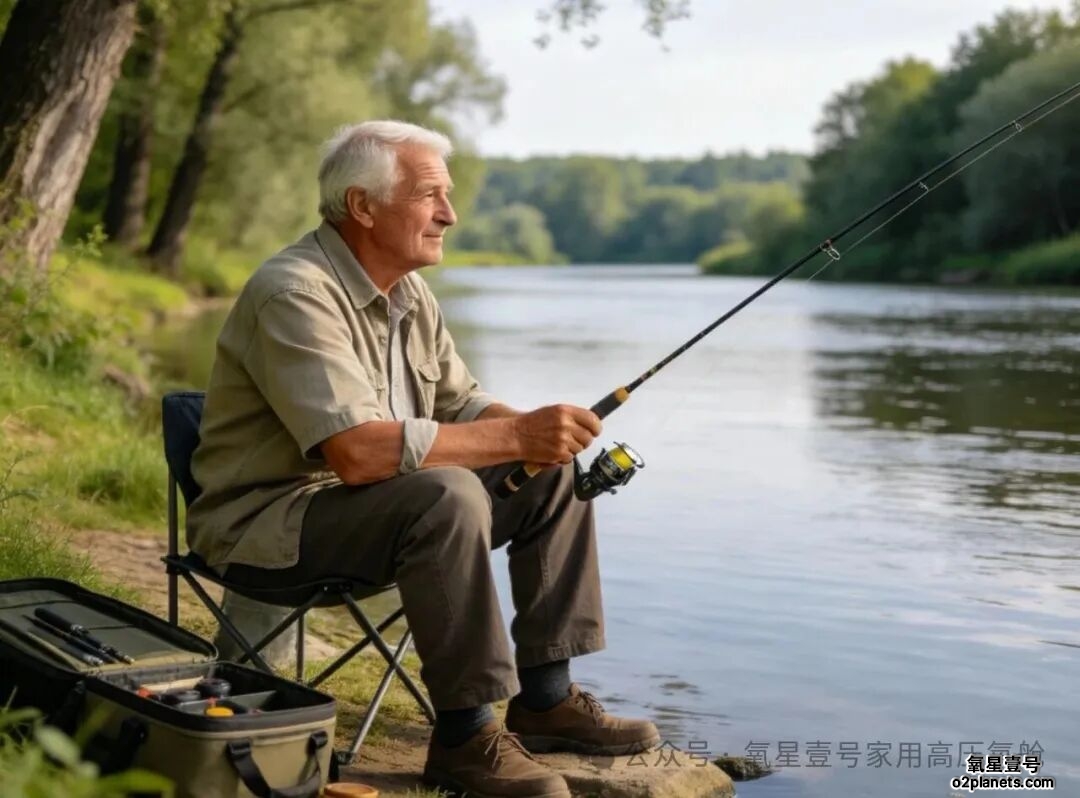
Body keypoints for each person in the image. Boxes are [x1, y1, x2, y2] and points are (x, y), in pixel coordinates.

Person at [187, 120, 659, 798]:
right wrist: (518, 437)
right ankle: (466, 737)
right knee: (448, 493)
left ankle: (547, 701)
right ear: (362, 205)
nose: (450, 214)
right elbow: (357, 452)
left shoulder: (410, 294)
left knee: (550, 474)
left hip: (368, 513)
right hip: (268, 530)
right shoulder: (294, 292)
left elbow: (460, 402)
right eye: (430, 195)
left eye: (448, 196)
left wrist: (539, 433)